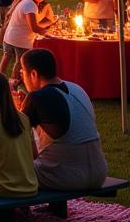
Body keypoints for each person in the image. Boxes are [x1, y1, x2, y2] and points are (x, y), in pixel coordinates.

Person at [20, 48, 109, 191]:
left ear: (33, 74)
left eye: (22, 72)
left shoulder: (37, 97)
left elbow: (13, 134)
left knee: (4, 170)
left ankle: (10, 211)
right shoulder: (77, 88)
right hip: (99, 172)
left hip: (64, 176)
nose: (21, 77)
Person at [2, 0, 55, 81]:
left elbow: (30, 23)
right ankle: (14, 84)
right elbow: (34, 27)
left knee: (6, 59)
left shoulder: (25, 1)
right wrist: (47, 33)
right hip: (20, 39)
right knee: (20, 63)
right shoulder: (30, 4)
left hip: (10, 36)